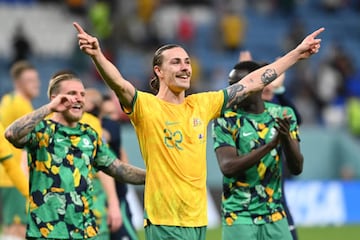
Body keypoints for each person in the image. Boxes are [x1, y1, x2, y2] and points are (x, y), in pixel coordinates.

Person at [74, 21, 323, 240]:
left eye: (187, 62)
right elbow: (119, 84)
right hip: (164, 220)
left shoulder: (201, 105)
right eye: (176, 62)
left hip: (197, 219)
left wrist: (296, 54)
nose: (185, 67)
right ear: (158, 71)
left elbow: (250, 83)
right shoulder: (146, 106)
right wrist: (97, 55)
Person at [4, 72, 146, 239]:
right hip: (47, 232)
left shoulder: (89, 135)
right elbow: (11, 134)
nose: (79, 98)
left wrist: (152, 177)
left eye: (82, 94)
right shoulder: (42, 130)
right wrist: (49, 108)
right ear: (55, 98)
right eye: (72, 94)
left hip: (84, 232)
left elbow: (118, 169)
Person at [212, 61, 304, 240]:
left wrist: (285, 141)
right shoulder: (225, 119)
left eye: (240, 85)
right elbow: (228, 167)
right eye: (231, 86)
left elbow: (297, 168)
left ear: (258, 85)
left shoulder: (283, 114)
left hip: (275, 214)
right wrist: (269, 146)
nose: (233, 91)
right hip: (239, 216)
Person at [0, 60, 40, 240]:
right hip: (14, 176)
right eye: (30, 80)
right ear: (18, 83)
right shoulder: (21, 106)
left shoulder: (8, 100)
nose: (36, 83)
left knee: (12, 227)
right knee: (17, 229)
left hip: (7, 176)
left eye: (36, 79)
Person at [99, 94, 140, 240]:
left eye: (115, 113)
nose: (113, 118)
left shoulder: (106, 131)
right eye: (108, 114)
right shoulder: (106, 126)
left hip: (114, 198)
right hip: (104, 199)